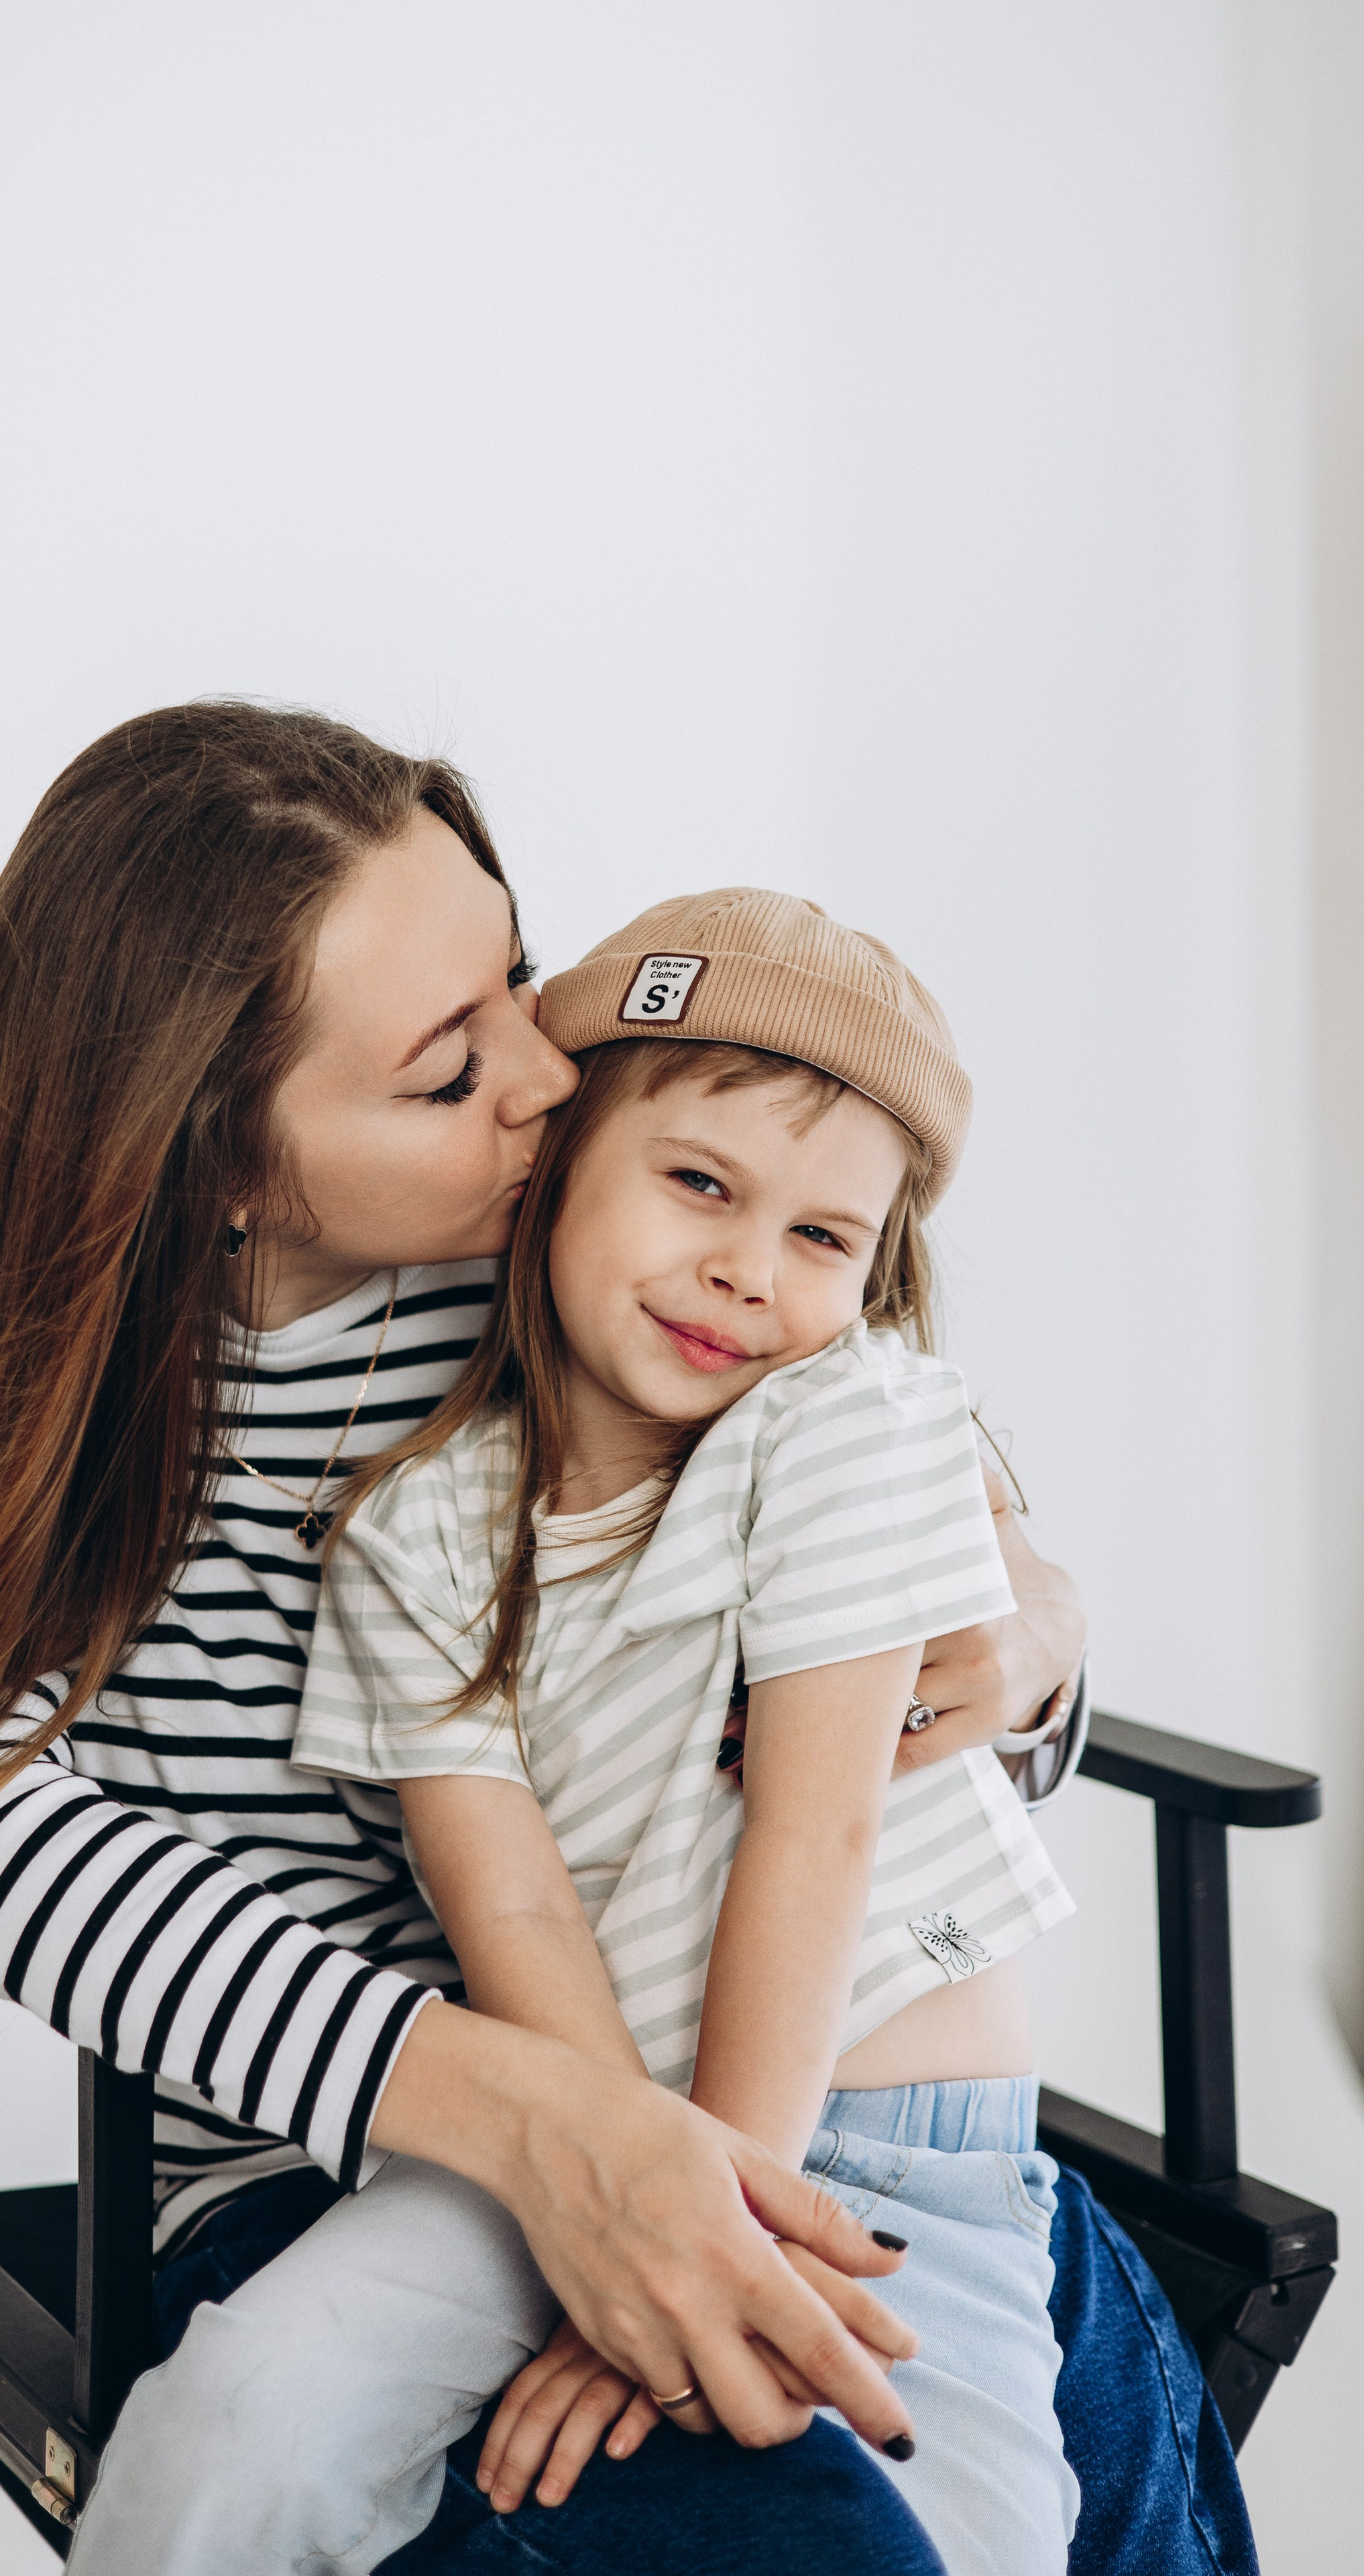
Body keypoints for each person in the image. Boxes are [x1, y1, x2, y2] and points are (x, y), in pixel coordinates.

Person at [0, 704, 1253, 2576]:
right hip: (343, 2150)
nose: (550, 1077)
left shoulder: (582, 1269)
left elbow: (880, 1541)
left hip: (765, 2070)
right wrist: (546, 2125)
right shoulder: (47, 1393)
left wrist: (1032, 1649)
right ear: (227, 1171)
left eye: (518, 976)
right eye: (449, 1071)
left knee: (1039, 2416)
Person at [292, 892, 1080, 2576]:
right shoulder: (421, 1524)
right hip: (592, 2126)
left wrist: (696, 2225)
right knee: (262, 2437)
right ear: (555, 1165)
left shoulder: (836, 1423)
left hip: (891, 2156)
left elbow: (819, 1836)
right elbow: (505, 1911)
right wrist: (639, 2220)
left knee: (979, 2538)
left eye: (820, 1238)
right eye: (700, 1184)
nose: (744, 1266)